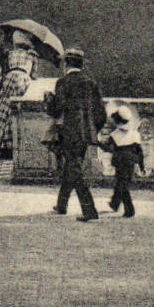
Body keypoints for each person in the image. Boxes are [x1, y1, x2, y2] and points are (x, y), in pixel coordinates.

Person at [45, 47, 106, 221]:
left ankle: (89, 211)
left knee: (74, 169)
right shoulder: (90, 84)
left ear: (66, 64)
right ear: (81, 64)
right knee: (72, 167)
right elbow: (101, 113)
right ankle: (61, 205)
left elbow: (57, 111)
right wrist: (92, 130)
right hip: (85, 135)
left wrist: (49, 101)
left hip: (68, 133)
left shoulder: (63, 83)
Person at [0, 31, 38, 159]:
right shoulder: (32, 55)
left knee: (4, 111)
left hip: (9, 78)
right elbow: (34, 76)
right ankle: (13, 146)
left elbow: (5, 70)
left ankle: (2, 146)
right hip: (23, 80)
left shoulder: (11, 54)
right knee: (16, 112)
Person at [98, 101, 143, 218]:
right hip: (131, 162)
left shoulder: (115, 135)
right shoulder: (135, 134)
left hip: (120, 162)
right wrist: (141, 165)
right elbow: (139, 151)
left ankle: (129, 209)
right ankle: (115, 203)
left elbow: (108, 148)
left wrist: (98, 143)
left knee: (122, 185)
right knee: (122, 183)